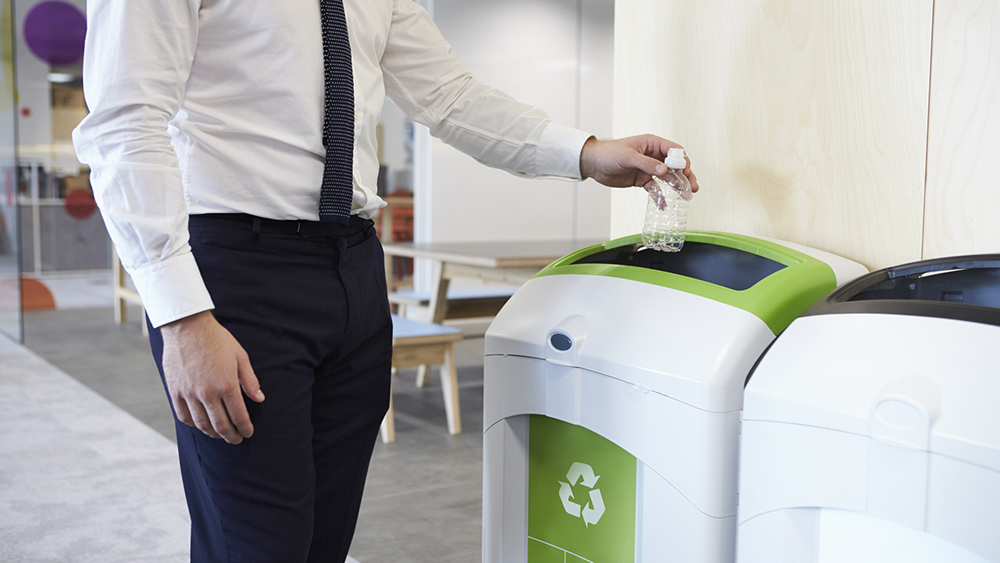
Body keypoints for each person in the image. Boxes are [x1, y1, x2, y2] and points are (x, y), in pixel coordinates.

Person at [73, 0, 699, 561]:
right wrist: (182, 318)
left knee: (324, 536)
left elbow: (450, 97)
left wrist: (587, 154)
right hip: (237, 273)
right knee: (261, 542)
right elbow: (125, 125)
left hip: (352, 267)